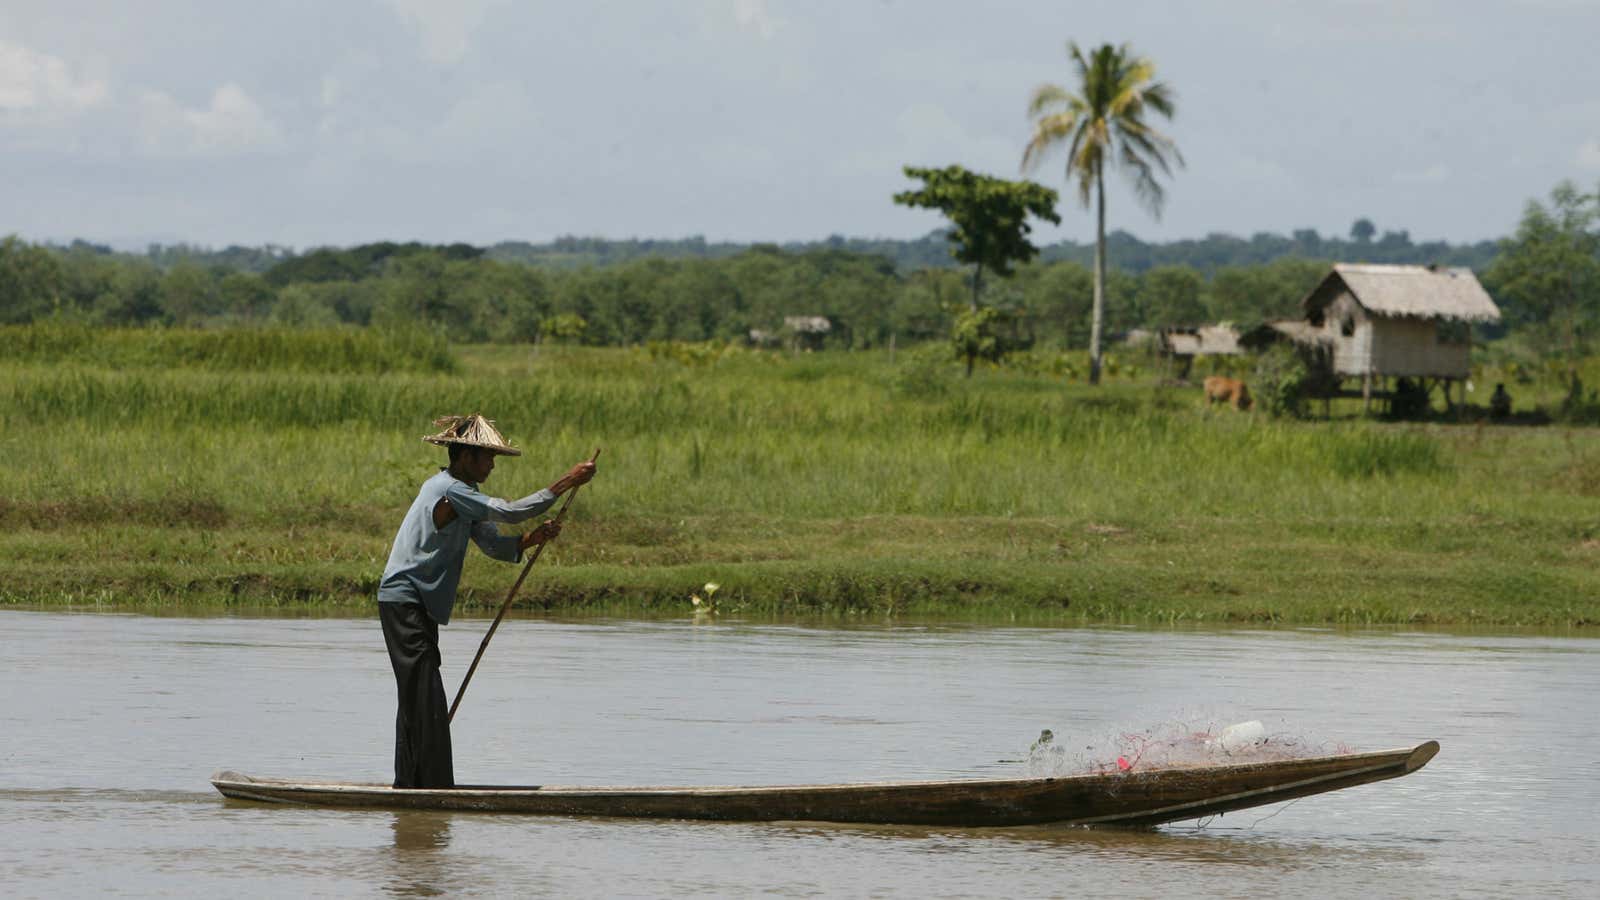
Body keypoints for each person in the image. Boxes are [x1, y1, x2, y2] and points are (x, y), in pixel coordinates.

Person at [377, 414, 596, 789]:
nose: (492, 465)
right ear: (464, 457)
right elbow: (509, 512)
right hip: (405, 599)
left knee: (418, 694)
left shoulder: (463, 498)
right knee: (425, 693)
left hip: (416, 604)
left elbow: (495, 543)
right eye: (487, 458)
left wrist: (533, 539)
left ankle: (411, 784)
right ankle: (431, 789)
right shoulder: (450, 489)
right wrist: (566, 482)